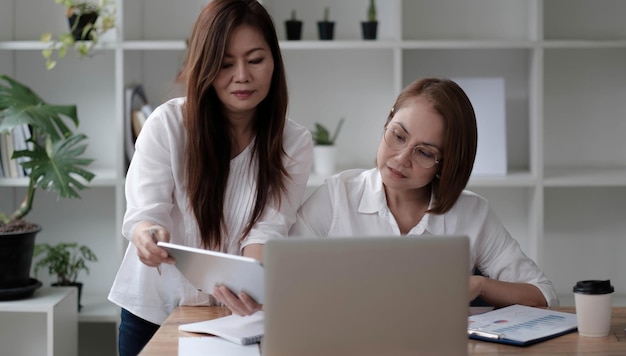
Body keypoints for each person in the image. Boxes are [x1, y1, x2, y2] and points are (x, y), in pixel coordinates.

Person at [107, 1, 312, 354]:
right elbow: (145, 216)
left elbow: (268, 228)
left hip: (233, 315)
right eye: (225, 63)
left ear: (274, 62)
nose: (242, 76)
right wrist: (147, 236)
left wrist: (255, 284)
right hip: (154, 310)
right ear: (204, 65)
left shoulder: (293, 143)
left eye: (256, 59)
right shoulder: (167, 125)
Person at [289, 77, 558, 309]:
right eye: (398, 136)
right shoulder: (337, 197)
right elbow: (282, 276)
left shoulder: (472, 213)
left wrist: (478, 285)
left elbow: (543, 295)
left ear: (447, 164)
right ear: (388, 121)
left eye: (425, 153)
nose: (402, 158)